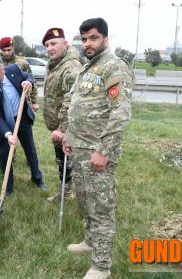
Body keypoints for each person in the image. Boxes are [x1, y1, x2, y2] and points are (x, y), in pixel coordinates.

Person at [62, 18, 133, 279]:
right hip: (80, 149)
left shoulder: (114, 67)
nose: (87, 43)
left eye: (93, 38)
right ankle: (90, 241)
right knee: (85, 201)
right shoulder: (87, 68)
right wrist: (69, 136)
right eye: (84, 39)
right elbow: (79, 106)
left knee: (101, 207)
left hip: (98, 152)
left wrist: (103, 150)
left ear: (105, 38)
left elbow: (120, 113)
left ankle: (101, 266)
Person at [0, 55, 46, 194]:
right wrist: (8, 135)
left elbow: (27, 76)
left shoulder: (13, 70)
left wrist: (28, 82)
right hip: (3, 124)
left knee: (30, 150)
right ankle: (8, 188)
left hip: (21, 118)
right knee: (4, 154)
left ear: (3, 69)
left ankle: (37, 179)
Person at [41, 27, 82, 202]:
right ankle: (66, 192)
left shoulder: (70, 67)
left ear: (65, 44)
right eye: (47, 45)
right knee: (63, 160)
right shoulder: (55, 63)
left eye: (54, 43)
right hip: (58, 126)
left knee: (69, 161)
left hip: (66, 127)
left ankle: (72, 195)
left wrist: (62, 128)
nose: (50, 48)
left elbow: (71, 100)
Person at [0, 37, 39, 112]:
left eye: (9, 50)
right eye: (4, 50)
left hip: (22, 100)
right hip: (3, 100)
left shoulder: (22, 62)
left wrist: (34, 101)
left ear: (13, 48)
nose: (6, 53)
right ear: (0, 50)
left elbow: (31, 80)